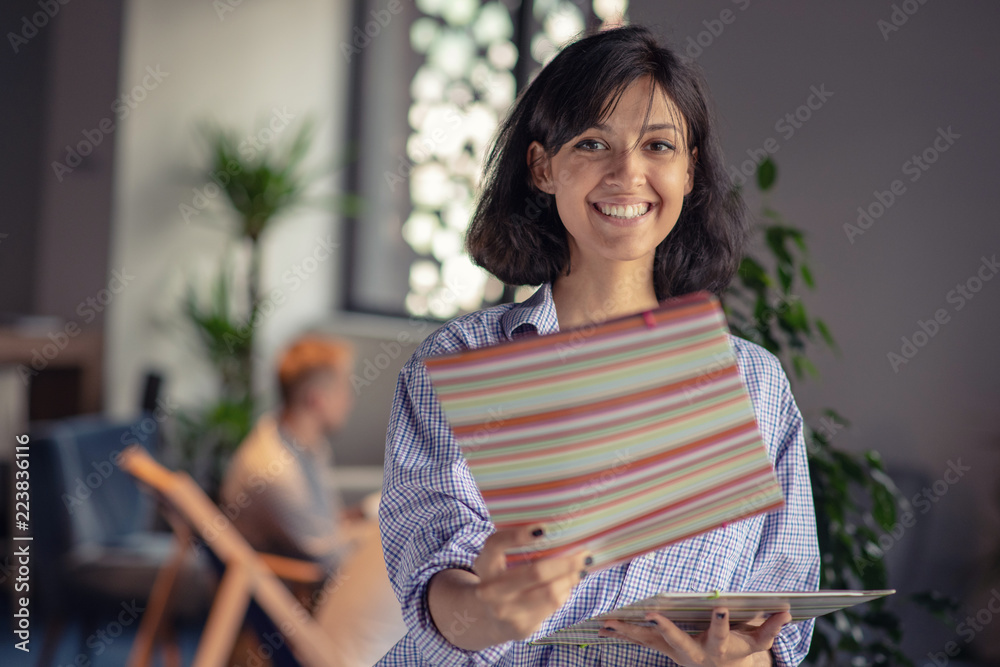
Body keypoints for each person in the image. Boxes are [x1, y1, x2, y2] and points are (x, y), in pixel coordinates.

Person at [377, 25, 820, 667]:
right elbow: (435, 586)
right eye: (592, 142)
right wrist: (490, 609)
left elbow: (778, 620)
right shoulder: (458, 361)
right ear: (542, 167)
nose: (627, 174)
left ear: (690, 169)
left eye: (658, 145)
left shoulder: (755, 386)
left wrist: (740, 661)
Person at [220, 335, 406, 666]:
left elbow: (324, 526)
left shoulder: (296, 439)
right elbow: (329, 561)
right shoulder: (276, 473)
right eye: (343, 389)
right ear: (317, 399)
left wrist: (363, 521)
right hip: (285, 597)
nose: (349, 399)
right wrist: (373, 535)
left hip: (296, 575)